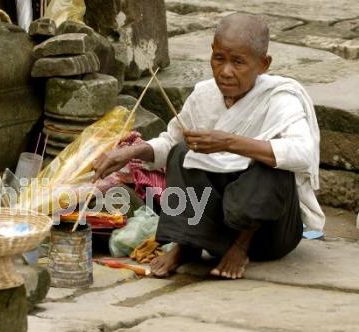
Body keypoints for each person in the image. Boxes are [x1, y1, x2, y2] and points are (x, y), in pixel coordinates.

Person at [92, 13, 325, 280]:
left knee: (271, 163)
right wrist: (132, 152)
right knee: (181, 152)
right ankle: (187, 245)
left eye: (238, 62)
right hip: (218, 225)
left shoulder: (281, 99)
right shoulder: (204, 95)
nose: (226, 71)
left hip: (269, 234)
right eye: (219, 59)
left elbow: (303, 153)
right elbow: (169, 142)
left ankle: (240, 247)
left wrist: (228, 143)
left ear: (263, 64)